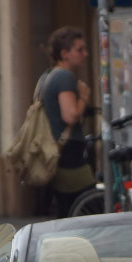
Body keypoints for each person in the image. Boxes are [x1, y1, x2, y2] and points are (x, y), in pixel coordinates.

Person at [40, 26, 95, 217]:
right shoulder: (64, 76)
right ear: (64, 54)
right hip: (68, 152)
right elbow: (70, 115)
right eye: (79, 49)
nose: (85, 54)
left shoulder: (48, 75)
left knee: (67, 209)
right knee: (91, 203)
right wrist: (84, 97)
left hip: (57, 150)